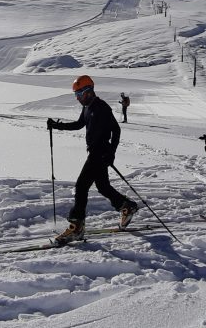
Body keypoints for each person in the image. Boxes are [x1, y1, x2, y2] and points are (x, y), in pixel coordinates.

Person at [47, 75, 138, 244]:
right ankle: (126, 206)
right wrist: (56, 125)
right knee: (103, 186)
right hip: (94, 153)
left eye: (78, 94)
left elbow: (116, 130)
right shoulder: (87, 107)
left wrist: (111, 152)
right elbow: (79, 124)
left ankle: (77, 227)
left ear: (88, 91)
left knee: (81, 186)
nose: (77, 98)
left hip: (100, 153)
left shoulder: (102, 107)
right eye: (76, 95)